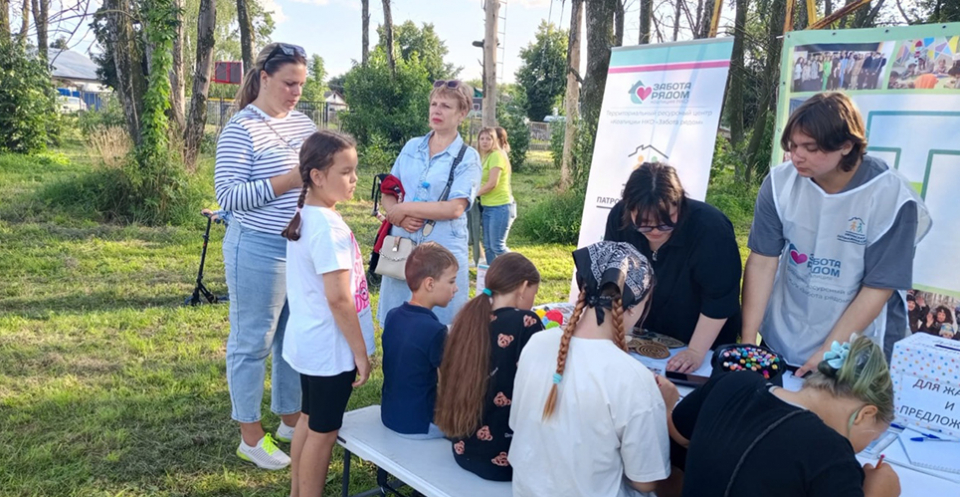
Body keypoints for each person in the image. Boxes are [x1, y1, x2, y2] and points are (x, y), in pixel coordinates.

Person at [742, 92, 931, 377]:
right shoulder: (779, 184)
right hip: (786, 328)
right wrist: (748, 340)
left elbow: (878, 287)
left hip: (856, 343)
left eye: (810, 147)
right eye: (793, 145)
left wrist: (828, 351)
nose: (797, 156)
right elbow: (762, 261)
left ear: (846, 145)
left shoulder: (891, 197)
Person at [214, 42, 315, 469]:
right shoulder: (241, 129)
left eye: (301, 85)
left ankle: (290, 417)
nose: (296, 92)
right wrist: (289, 180)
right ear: (264, 78)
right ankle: (251, 436)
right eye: (289, 83)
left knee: (292, 337)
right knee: (252, 341)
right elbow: (228, 196)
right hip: (258, 247)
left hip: (299, 247)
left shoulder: (305, 123)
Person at [510, 242, 672, 497]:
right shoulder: (634, 380)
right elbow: (645, 482)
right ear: (632, 307)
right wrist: (667, 408)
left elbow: (518, 424)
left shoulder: (537, 343)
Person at [667, 336, 900, 497]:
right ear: (865, 413)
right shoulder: (832, 454)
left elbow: (679, 434)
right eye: (872, 438)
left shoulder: (734, 381)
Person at [280, 130, 375, 497]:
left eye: (355, 170)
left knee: (309, 419)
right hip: (330, 350)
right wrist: (360, 352)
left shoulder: (310, 214)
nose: (354, 179)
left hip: (310, 342)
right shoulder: (327, 227)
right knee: (324, 433)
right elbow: (338, 298)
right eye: (345, 172)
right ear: (317, 176)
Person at [605, 162, 742, 373]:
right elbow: (613, 280)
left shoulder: (711, 229)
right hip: (646, 333)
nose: (655, 231)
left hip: (703, 337)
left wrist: (695, 352)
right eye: (643, 224)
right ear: (629, 209)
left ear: (679, 203)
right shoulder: (619, 219)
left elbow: (720, 298)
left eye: (666, 223)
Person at [377, 80, 482, 327]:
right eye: (434, 104)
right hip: (401, 246)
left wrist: (404, 209)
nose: (437, 110)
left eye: (446, 106)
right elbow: (388, 191)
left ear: (462, 114)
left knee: (442, 328)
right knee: (396, 322)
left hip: (442, 251)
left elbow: (455, 208)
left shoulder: (468, 158)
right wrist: (397, 215)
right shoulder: (412, 147)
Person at [434, 252, 543, 481]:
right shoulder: (527, 322)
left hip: (463, 450)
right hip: (507, 462)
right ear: (524, 287)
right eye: (534, 293)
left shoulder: (469, 319)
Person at [380, 242, 459, 439]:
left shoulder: (392, 316)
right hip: (420, 425)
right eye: (451, 281)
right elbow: (452, 381)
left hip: (390, 415)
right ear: (430, 284)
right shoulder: (435, 331)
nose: (456, 289)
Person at [477, 127, 515, 264]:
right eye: (482, 138)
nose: (485, 142)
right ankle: (493, 274)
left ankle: (521, 268)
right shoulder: (484, 157)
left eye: (488, 139)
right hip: (487, 206)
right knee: (488, 247)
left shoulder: (496, 155)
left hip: (500, 206)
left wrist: (473, 194)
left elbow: (492, 183)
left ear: (495, 141)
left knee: (497, 246)